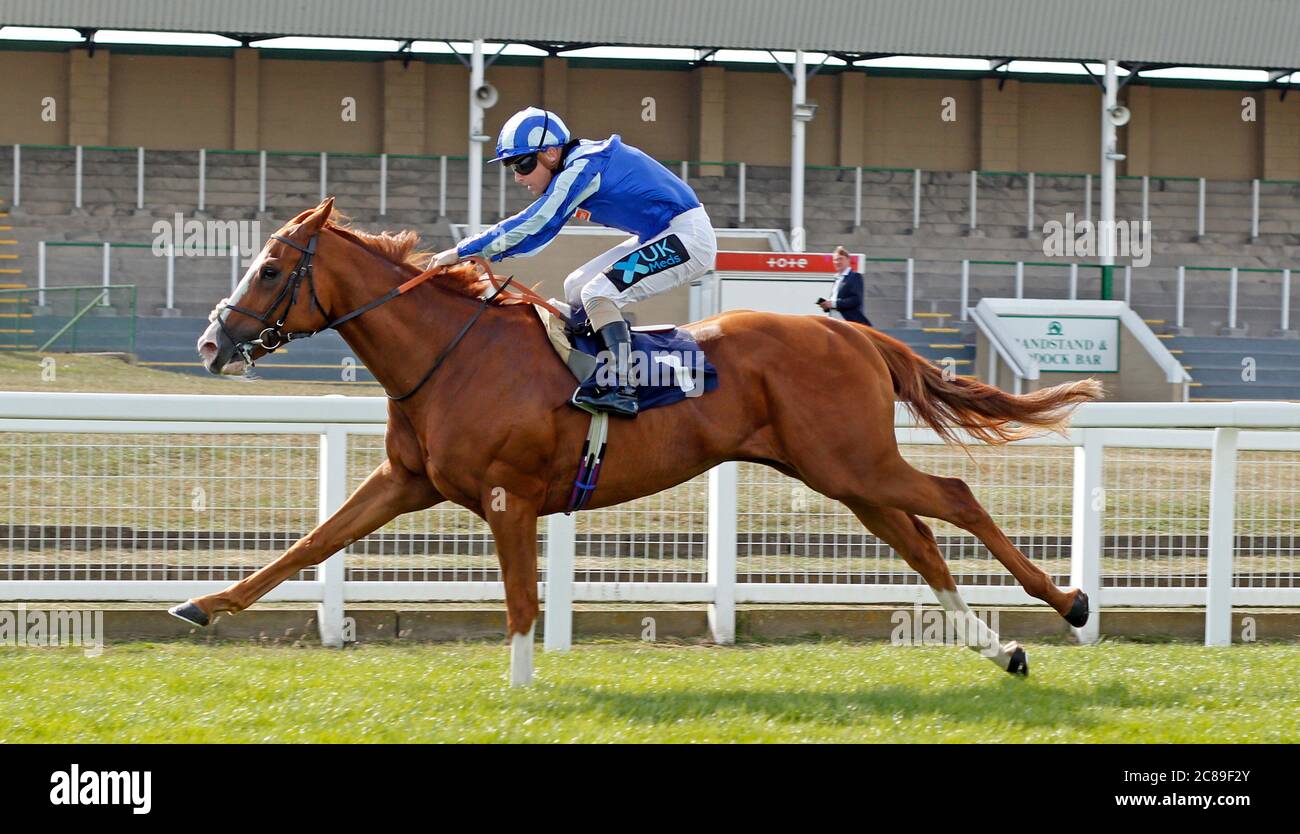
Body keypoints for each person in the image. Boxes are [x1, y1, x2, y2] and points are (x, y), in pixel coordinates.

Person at [432, 107, 717, 417]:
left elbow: (537, 221)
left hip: (688, 237)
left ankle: (624, 388)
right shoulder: (576, 164)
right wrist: (479, 252)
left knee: (598, 293)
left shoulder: (583, 166)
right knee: (576, 286)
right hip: (662, 232)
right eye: (511, 167)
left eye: (523, 164)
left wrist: (462, 251)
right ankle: (595, 367)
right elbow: (538, 235)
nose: (517, 176)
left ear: (552, 153)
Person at [817, 246, 872, 326]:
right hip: (834, 322)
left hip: (849, 323)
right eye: (835, 260)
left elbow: (856, 300)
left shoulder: (855, 276)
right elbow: (837, 300)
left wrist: (833, 304)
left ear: (848, 260)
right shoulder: (837, 279)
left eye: (840, 259)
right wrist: (827, 306)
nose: (837, 262)